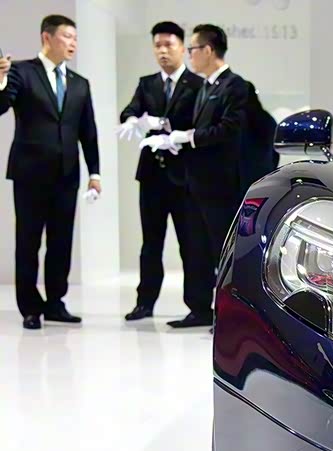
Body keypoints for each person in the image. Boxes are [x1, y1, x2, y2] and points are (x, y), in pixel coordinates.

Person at [141, 24, 247, 328]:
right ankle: (199, 309)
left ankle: (229, 313)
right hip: (195, 183)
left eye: (193, 49)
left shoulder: (235, 86)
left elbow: (229, 130)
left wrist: (188, 137)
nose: (190, 55)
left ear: (208, 51)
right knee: (197, 249)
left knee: (221, 252)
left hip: (220, 185)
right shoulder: (205, 87)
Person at [0, 15, 101, 330]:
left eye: (75, 38)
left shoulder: (80, 83)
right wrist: (0, 80)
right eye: (67, 36)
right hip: (29, 173)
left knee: (61, 242)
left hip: (66, 174)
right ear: (47, 37)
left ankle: (56, 302)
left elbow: (88, 132)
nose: (73, 43)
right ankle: (30, 308)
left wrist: (95, 173)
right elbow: (2, 105)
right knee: (28, 242)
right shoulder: (20, 72)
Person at [117, 21, 207, 322]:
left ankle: (198, 306)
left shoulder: (197, 85)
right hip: (152, 176)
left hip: (185, 177)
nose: (163, 51)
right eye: (157, 45)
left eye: (169, 44)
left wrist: (167, 127)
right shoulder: (147, 84)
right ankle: (145, 303)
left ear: (182, 47)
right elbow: (130, 110)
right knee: (150, 244)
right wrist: (132, 120)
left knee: (191, 244)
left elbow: (200, 124)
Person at [239, 80, 280, 198]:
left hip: (238, 183)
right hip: (264, 179)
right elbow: (275, 153)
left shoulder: (233, 122)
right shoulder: (268, 119)